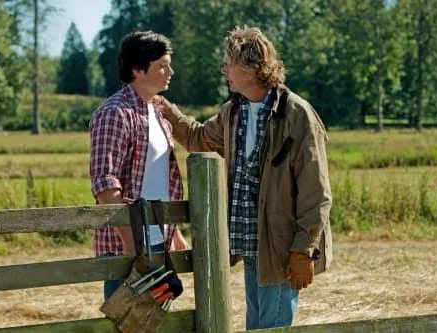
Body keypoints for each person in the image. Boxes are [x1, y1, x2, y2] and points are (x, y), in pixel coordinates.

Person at [159, 26, 332, 330]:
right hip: (251, 244)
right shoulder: (234, 111)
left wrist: (303, 250)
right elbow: (198, 138)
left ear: (250, 69)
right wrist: (167, 110)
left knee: (271, 327)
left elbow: (315, 191)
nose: (224, 70)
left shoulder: (297, 114)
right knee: (257, 325)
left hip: (282, 247)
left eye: (229, 63)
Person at [89, 31, 189, 300]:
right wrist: (134, 247)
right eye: (162, 66)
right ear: (137, 69)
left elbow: (158, 180)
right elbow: (105, 185)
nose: (171, 71)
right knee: (128, 325)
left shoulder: (158, 115)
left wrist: (174, 233)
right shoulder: (114, 113)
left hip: (159, 243)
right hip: (127, 248)